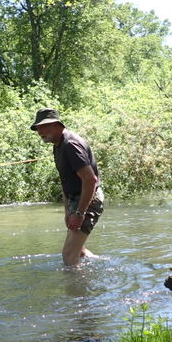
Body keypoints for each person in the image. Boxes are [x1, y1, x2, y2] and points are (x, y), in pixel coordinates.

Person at [30, 108, 104, 265]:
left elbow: (90, 180)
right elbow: (65, 182)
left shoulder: (71, 145)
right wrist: (67, 212)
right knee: (80, 251)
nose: (40, 131)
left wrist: (80, 213)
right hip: (76, 201)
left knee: (68, 255)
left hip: (88, 199)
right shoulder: (58, 145)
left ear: (57, 125)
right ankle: (103, 266)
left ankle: (76, 289)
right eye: (38, 128)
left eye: (44, 126)